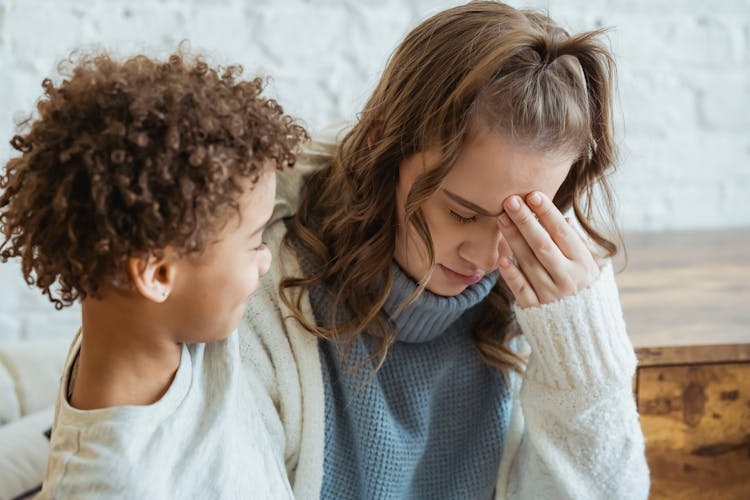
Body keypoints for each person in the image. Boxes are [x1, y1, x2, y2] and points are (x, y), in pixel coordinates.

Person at [240, 1, 650, 499]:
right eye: (461, 213)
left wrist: (582, 353)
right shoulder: (264, 292)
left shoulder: (544, 303)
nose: (486, 257)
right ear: (381, 147)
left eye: (523, 222)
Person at [0, 49, 306, 498]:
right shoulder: (114, 482)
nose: (267, 259)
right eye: (255, 241)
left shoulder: (164, 323)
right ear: (157, 274)